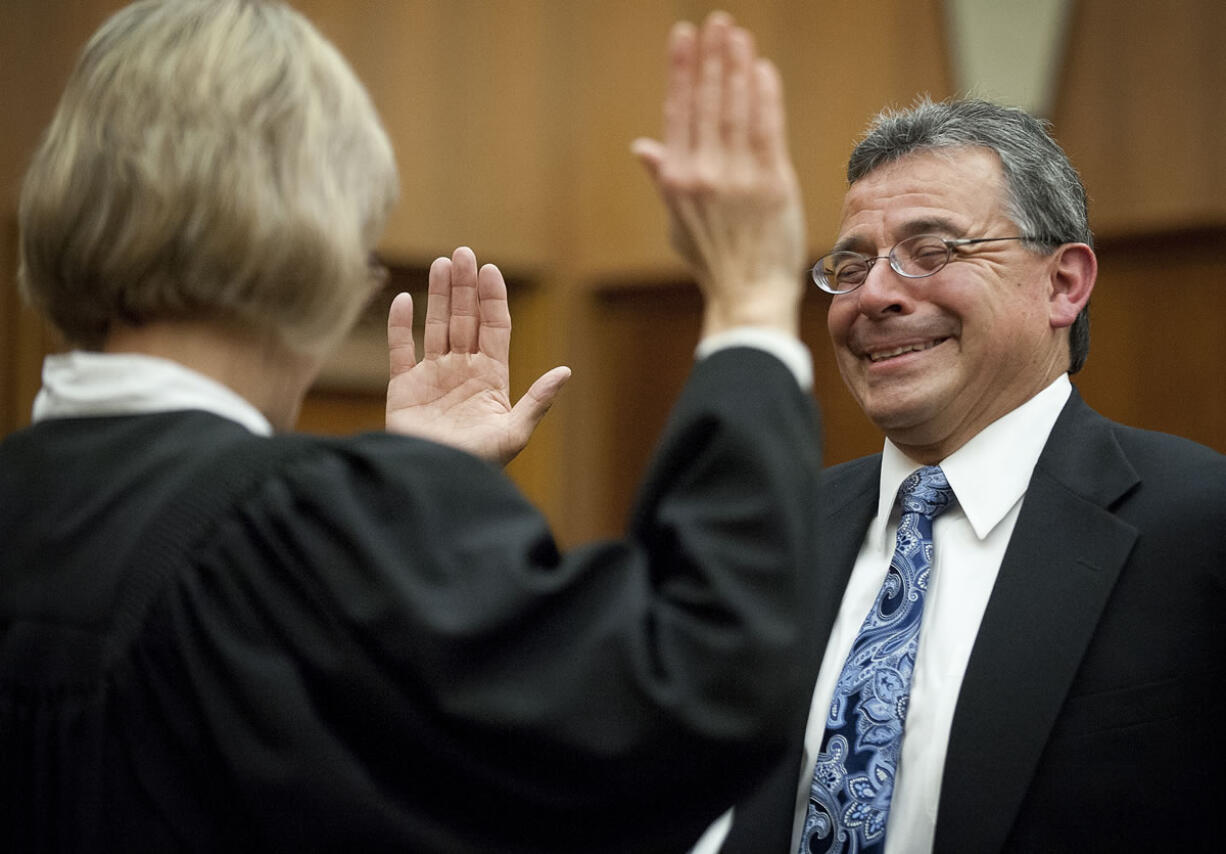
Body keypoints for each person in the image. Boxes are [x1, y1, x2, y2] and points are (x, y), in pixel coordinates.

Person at [0, 3, 820, 852]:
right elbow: (702, 682)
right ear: (311, 240)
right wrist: (752, 301)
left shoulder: (34, 508)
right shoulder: (279, 535)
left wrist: (416, 494)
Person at [707, 98, 1226, 852]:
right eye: (852, 265)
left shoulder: (1198, 525)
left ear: (1063, 285)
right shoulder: (778, 535)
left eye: (932, 251)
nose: (876, 295)